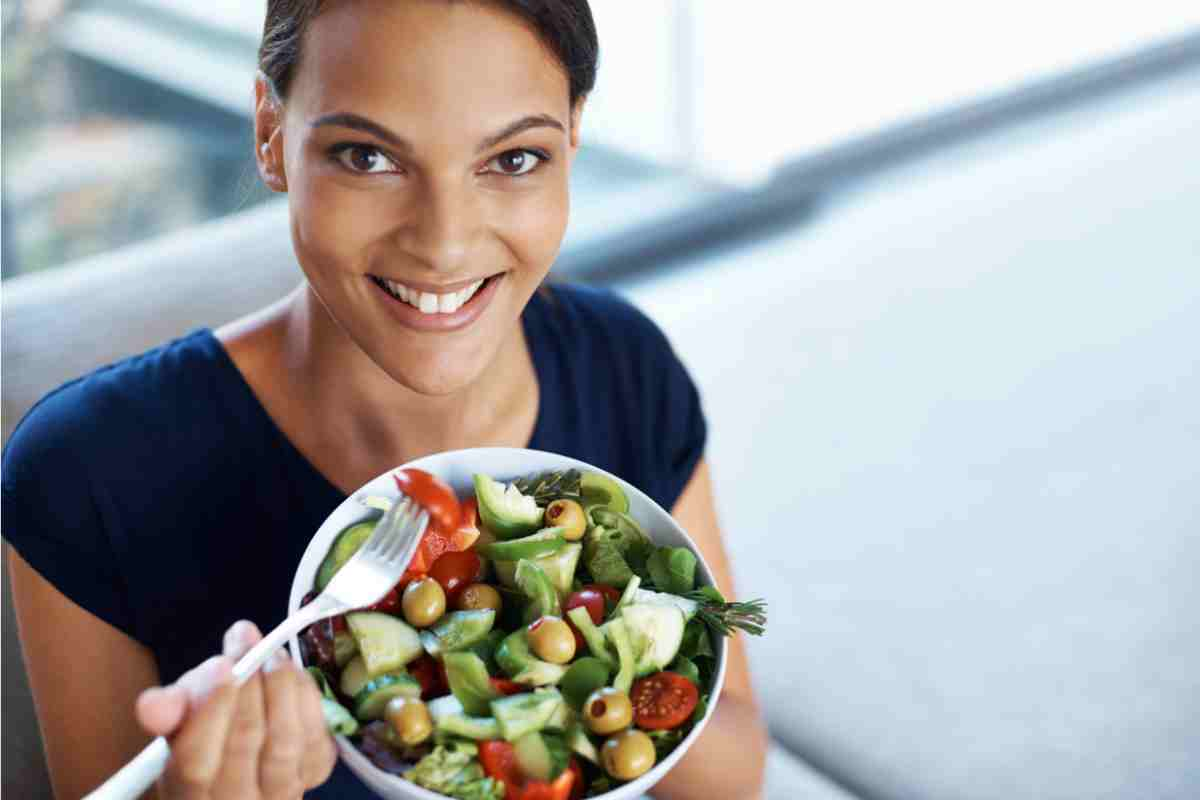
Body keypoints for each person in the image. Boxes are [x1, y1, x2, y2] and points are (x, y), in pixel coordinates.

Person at [2, 1, 769, 798]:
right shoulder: (87, 471)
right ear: (271, 132)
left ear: (573, 135)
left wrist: (615, 650)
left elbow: (734, 775)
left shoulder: (624, 363)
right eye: (367, 156)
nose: (442, 244)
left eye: (512, 159)